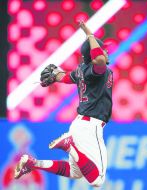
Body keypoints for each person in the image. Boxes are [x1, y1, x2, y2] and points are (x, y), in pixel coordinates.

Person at [14, 20, 113, 188]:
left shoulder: (82, 70)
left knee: (76, 172)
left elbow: (64, 77)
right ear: (94, 54)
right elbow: (99, 60)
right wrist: (89, 33)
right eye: (103, 49)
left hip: (80, 124)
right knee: (97, 180)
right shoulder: (98, 70)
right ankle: (69, 146)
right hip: (91, 126)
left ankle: (32, 163)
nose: (106, 51)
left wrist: (55, 76)